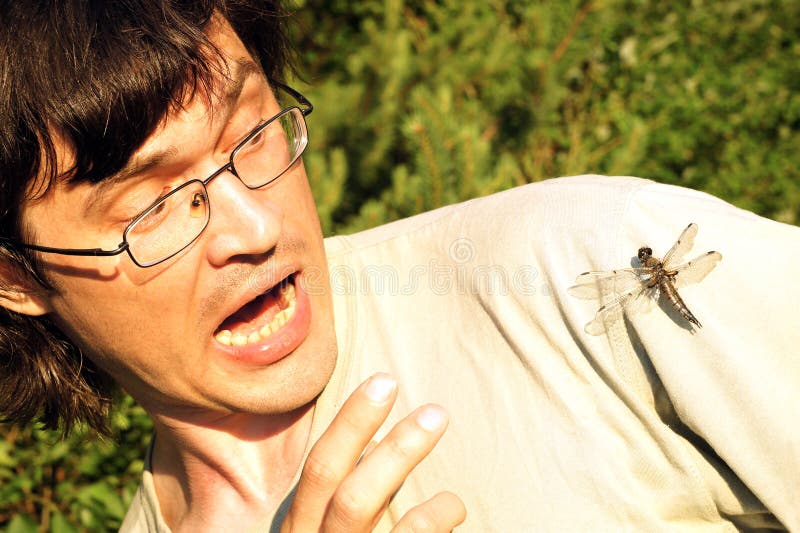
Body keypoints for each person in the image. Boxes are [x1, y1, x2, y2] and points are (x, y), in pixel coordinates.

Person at [1, 1, 797, 532]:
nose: (254, 226)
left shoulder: (582, 257)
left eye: (252, 134)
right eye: (153, 207)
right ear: (20, 278)